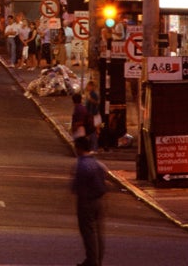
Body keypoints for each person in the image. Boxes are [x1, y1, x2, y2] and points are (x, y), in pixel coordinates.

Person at [70, 135, 108, 266]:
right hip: (99, 200)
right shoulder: (97, 163)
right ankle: (96, 259)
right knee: (98, 232)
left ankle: (92, 261)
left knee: (88, 233)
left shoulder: (82, 164)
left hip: (86, 201)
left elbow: (77, 186)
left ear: (79, 148)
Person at [85, 79, 103, 151]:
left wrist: (90, 100)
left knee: (93, 132)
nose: (88, 87)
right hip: (93, 115)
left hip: (93, 115)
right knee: (93, 132)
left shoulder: (93, 94)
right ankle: (93, 147)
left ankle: (94, 147)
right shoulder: (91, 94)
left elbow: (97, 103)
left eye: (89, 86)